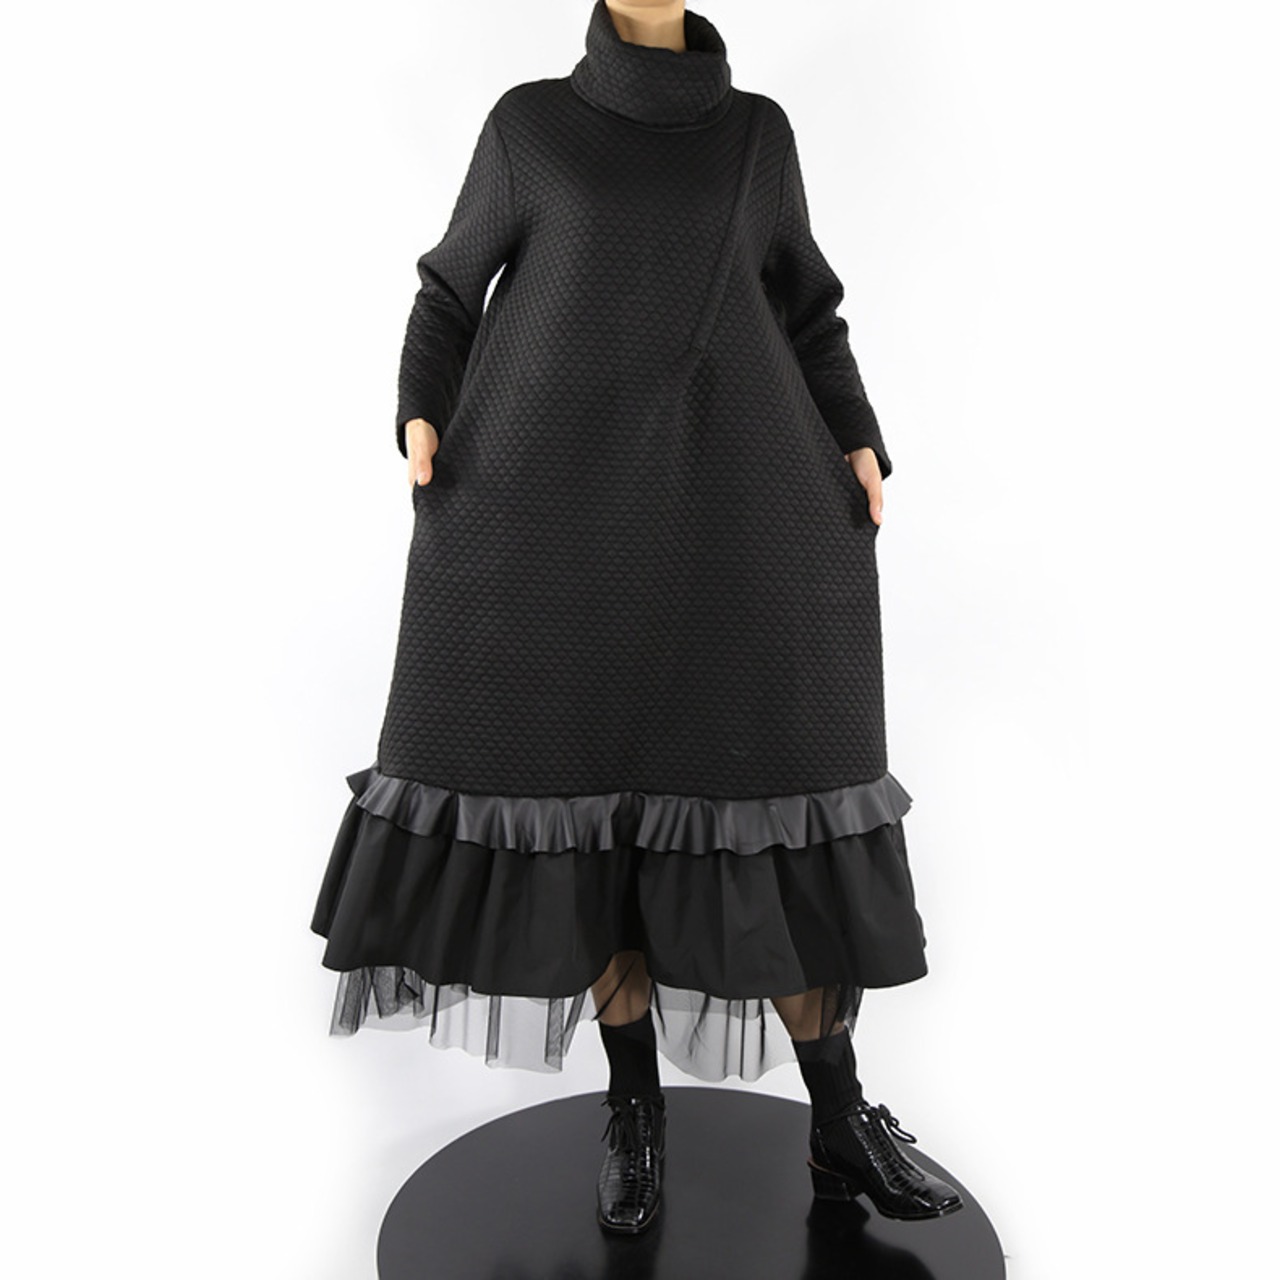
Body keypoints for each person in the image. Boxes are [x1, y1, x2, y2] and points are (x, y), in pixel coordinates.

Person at [310, 0, 963, 1234]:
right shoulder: (529, 129)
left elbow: (806, 309)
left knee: (783, 800)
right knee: (590, 817)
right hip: (551, 518)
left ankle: (839, 1115)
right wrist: (421, 412)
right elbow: (448, 290)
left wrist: (856, 435)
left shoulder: (756, 138)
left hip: (739, 506)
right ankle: (633, 1107)